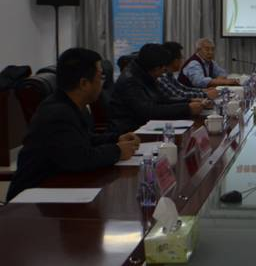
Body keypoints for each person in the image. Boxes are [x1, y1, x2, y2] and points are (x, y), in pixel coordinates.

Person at [7, 48, 140, 201]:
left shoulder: (71, 104)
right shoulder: (57, 113)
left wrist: (117, 139)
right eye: (100, 76)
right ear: (84, 83)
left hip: (58, 189)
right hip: (34, 198)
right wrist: (117, 151)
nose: (102, 82)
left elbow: (85, 139)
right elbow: (79, 159)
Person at [109, 43, 206, 134]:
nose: (163, 73)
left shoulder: (145, 73)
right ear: (156, 68)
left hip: (144, 126)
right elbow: (148, 111)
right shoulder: (130, 81)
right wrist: (186, 108)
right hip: (129, 133)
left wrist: (188, 102)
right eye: (163, 69)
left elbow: (161, 99)